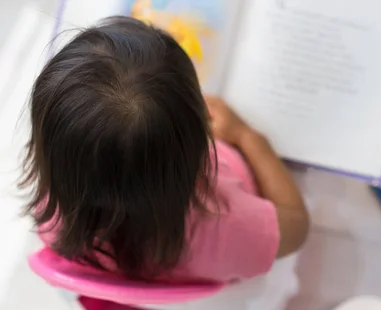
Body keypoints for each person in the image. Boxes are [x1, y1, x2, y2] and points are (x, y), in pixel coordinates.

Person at [20, 16, 309, 283]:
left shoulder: (52, 214)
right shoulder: (229, 227)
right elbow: (298, 227)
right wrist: (249, 138)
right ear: (199, 156)